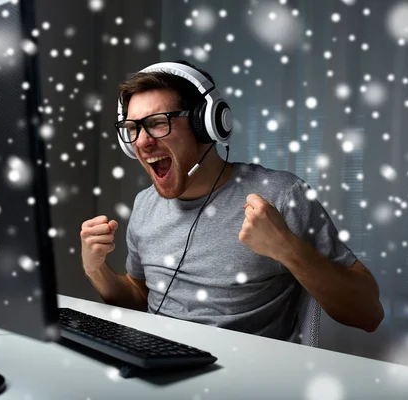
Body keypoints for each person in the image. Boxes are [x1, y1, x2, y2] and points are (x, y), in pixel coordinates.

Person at [80, 60, 384, 342]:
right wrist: (97, 270)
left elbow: (369, 314)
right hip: (156, 369)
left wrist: (288, 249)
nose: (143, 141)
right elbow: (138, 297)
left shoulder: (280, 194)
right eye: (132, 129)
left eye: (159, 122)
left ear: (207, 124)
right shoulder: (145, 204)